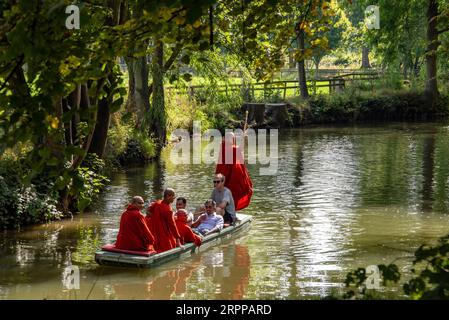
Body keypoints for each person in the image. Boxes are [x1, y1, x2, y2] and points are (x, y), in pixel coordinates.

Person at [215, 132, 253, 211]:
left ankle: (229, 212)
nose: (231, 140)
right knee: (231, 193)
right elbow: (239, 149)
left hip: (230, 174)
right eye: (229, 138)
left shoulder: (224, 146)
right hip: (229, 176)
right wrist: (244, 139)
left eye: (232, 138)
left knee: (231, 194)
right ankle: (229, 213)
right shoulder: (227, 147)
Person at [146, 188, 182, 253]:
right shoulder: (168, 209)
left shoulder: (157, 203)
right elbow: (172, 225)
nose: (174, 198)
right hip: (163, 234)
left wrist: (155, 218)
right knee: (168, 246)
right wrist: (177, 239)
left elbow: (148, 211)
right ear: (168, 196)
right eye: (173, 196)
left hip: (153, 231)